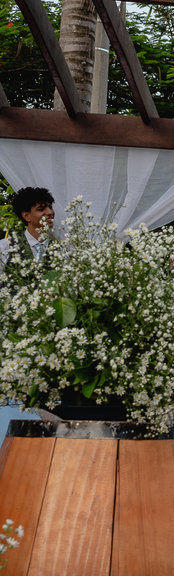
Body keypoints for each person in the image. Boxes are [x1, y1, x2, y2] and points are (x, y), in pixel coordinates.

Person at [0, 187, 55, 446]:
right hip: (13, 338)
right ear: (26, 215)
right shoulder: (4, 248)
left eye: (50, 207)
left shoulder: (64, 250)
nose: (50, 212)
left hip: (52, 339)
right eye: (41, 208)